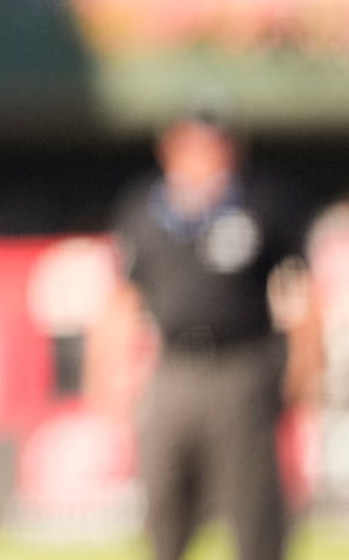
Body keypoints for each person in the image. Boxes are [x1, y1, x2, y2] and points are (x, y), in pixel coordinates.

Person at [87, 109, 324, 560]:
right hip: (174, 368)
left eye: (213, 142)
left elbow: (300, 290)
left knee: (253, 507)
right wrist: (106, 374)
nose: (202, 154)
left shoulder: (263, 203)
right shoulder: (146, 209)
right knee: (164, 500)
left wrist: (305, 366)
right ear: (170, 148)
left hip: (242, 365)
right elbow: (124, 298)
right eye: (191, 143)